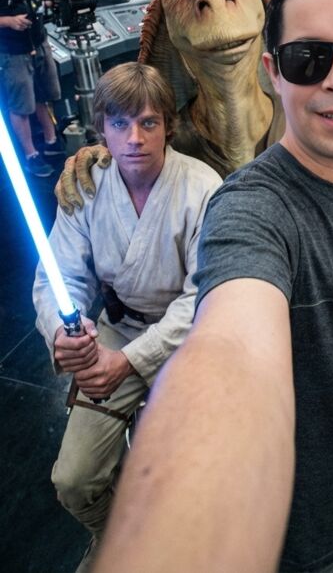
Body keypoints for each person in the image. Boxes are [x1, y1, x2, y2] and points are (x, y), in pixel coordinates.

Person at [93, 0, 333, 573]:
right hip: (309, 541)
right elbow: (231, 350)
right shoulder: (251, 210)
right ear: (272, 72)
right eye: (307, 59)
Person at [32, 62, 222, 573]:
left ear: (168, 125)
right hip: (114, 331)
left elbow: (202, 294)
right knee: (73, 481)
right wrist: (65, 331)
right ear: (101, 128)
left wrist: (131, 362)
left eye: (148, 122)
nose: (134, 138)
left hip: (186, 342)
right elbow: (59, 276)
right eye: (119, 124)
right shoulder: (85, 186)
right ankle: (120, 536)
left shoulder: (202, 188)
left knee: (193, 483)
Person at [0, 0, 63, 177]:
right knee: (21, 105)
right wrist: (7, 21)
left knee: (43, 95)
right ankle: (31, 155)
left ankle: (51, 141)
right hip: (12, 51)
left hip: (39, 41)